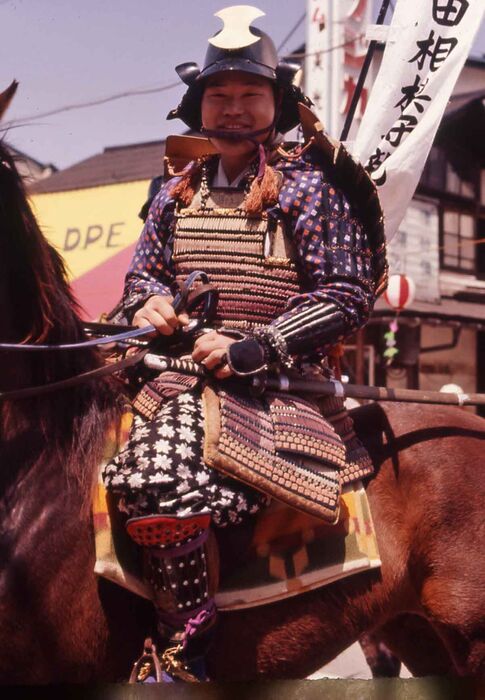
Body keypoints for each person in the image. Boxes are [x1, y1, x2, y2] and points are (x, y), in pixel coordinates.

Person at [103, 4, 387, 683]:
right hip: (169, 373)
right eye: (219, 95)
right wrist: (150, 302)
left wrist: (253, 347)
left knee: (158, 475)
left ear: (276, 103)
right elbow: (142, 274)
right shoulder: (175, 190)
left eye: (248, 95)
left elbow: (348, 292)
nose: (232, 108)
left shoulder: (310, 188)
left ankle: (185, 650)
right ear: (198, 105)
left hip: (271, 387)